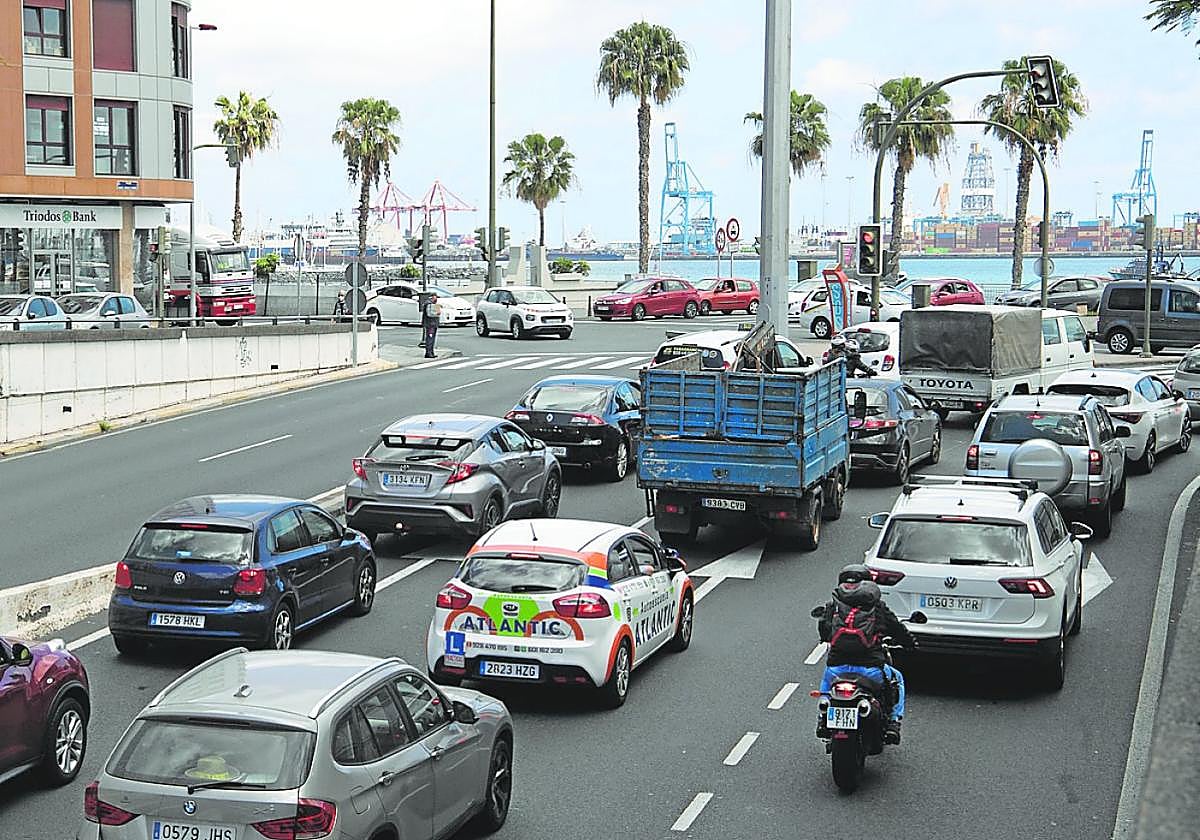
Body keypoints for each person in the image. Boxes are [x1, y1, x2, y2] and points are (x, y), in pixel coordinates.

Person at [815, 563, 916, 744]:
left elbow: (824, 630)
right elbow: (897, 630)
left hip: (837, 669)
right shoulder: (877, 608)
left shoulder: (834, 606)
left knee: (826, 683)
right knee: (897, 679)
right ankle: (893, 723)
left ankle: (823, 718)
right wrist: (909, 643)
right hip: (871, 670)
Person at [421, 292, 441, 358]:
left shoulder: (431, 304)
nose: (436, 298)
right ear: (432, 297)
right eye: (436, 297)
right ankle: (429, 352)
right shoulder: (429, 304)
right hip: (430, 324)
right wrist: (437, 309)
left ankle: (431, 352)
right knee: (430, 338)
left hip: (432, 324)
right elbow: (432, 314)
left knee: (432, 338)